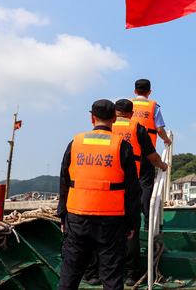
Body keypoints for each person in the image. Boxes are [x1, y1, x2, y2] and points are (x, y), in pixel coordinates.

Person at [83, 99, 168, 287]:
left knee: (99, 229)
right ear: (132, 112)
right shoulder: (138, 129)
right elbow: (152, 157)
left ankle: (93, 273)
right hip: (130, 186)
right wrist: (163, 165)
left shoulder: (102, 131)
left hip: (104, 188)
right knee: (132, 228)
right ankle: (131, 273)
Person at [57, 99, 140, 290]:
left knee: (68, 279)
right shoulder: (122, 146)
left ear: (92, 117)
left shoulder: (75, 144)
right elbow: (132, 190)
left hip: (77, 219)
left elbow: (64, 182)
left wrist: (63, 217)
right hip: (111, 222)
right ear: (114, 118)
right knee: (112, 280)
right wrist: (131, 223)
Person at [131, 79, 171, 231]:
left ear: (135, 91)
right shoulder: (153, 106)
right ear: (149, 92)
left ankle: (127, 220)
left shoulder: (126, 105)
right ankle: (148, 222)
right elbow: (159, 130)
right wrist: (167, 140)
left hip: (127, 150)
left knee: (128, 182)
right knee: (146, 184)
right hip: (146, 151)